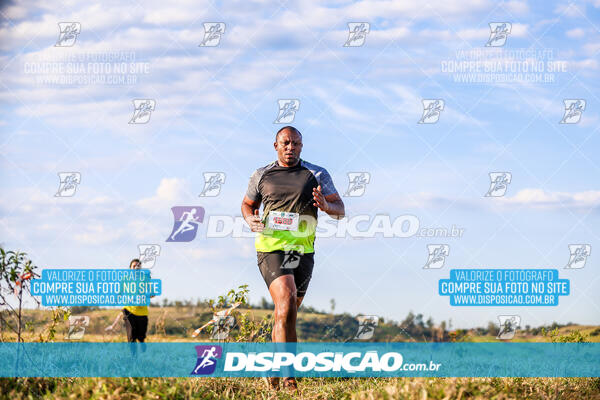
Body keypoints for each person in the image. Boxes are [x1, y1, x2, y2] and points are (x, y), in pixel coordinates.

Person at [242, 126, 345, 391]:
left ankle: (275, 368)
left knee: (288, 315)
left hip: (303, 252)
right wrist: (250, 219)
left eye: (296, 144)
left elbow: (340, 210)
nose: (291, 148)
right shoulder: (261, 174)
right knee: (286, 301)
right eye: (286, 143)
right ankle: (289, 379)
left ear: (302, 146)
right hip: (271, 247)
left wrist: (324, 205)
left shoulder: (317, 174)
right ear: (275, 145)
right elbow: (247, 204)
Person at [106, 259, 149, 347]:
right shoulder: (125, 279)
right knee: (131, 336)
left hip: (142, 312)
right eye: (134, 266)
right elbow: (120, 292)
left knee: (141, 337)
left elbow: (152, 293)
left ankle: (142, 341)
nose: (136, 267)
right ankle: (134, 358)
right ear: (130, 268)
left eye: (138, 266)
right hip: (128, 310)